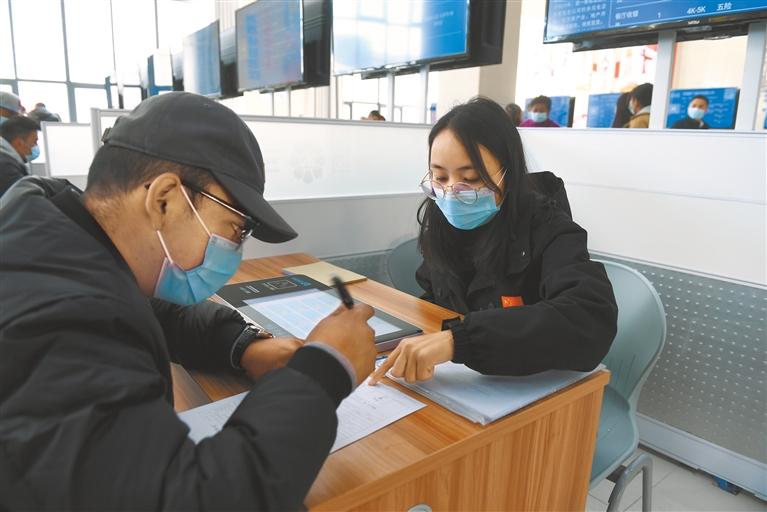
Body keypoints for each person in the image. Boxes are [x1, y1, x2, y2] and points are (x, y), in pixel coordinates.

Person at [0, 92, 378, 510]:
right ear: (164, 198)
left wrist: (242, 347)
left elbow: (146, 312)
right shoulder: (55, 322)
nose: (235, 250)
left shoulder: (57, 241)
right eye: (236, 229)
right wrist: (324, 370)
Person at [371, 97, 617, 385]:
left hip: (531, 387)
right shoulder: (442, 220)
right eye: (439, 176)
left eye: (471, 178)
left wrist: (460, 341)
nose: (451, 193)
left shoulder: (550, 229)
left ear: (508, 174)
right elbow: (435, 296)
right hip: (460, 382)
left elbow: (589, 319)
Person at [0, 115, 40, 196]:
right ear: (19, 143)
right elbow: (27, 198)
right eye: (34, 141)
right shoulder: (6, 168)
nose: (35, 145)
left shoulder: (6, 160)